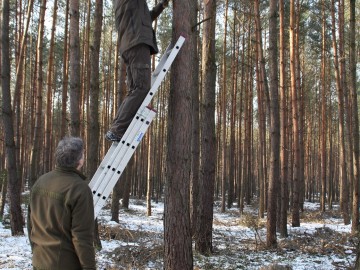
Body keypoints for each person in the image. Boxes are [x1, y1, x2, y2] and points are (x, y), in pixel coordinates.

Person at [28, 136, 96, 270]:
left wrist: (36, 251)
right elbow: (82, 236)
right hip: (64, 264)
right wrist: (89, 267)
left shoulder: (41, 181)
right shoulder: (80, 188)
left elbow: (31, 224)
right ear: (80, 160)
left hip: (39, 260)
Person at [106, 0, 170, 142]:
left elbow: (146, 17)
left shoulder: (130, 6)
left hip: (130, 45)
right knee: (141, 88)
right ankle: (117, 129)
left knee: (135, 90)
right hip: (137, 43)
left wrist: (162, 5)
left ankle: (117, 127)